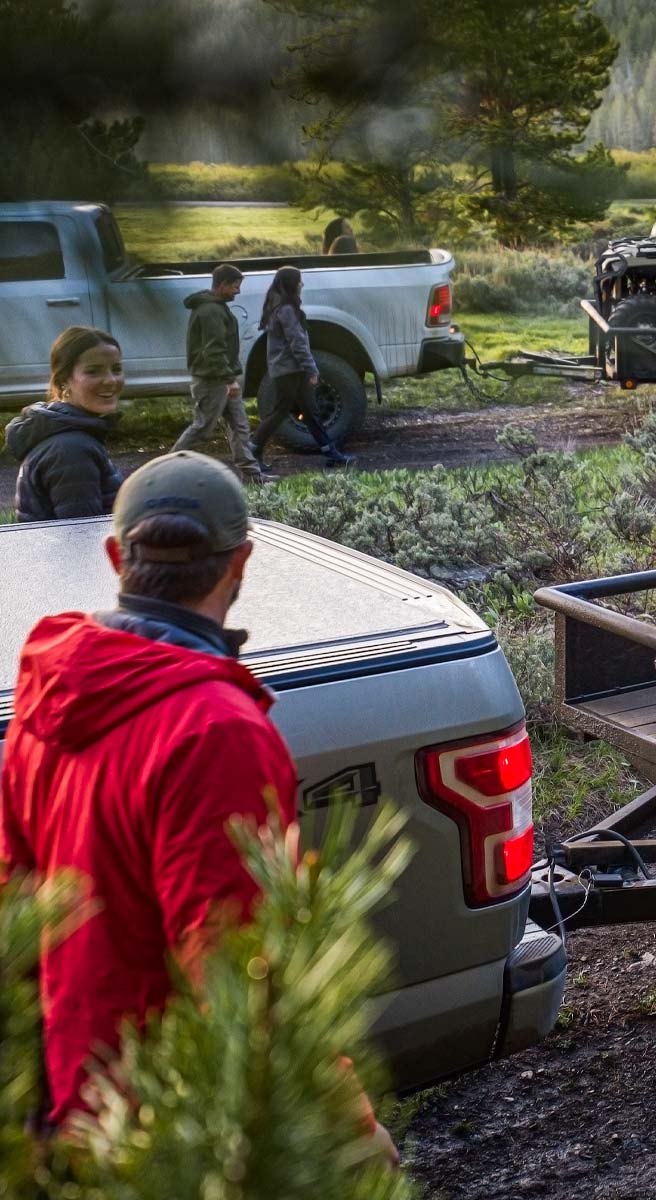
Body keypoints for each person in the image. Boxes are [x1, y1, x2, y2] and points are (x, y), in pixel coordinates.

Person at [0, 452, 395, 1159]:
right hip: (176, 1126)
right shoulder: (216, 731)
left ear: (116, 556)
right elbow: (237, 971)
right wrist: (351, 1127)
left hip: (71, 1106)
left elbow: (14, 911)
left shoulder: (45, 696)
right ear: (240, 562)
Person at [5, 327, 125, 521]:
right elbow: (83, 533)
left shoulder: (71, 435)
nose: (111, 380)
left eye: (116, 369)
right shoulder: (71, 449)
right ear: (63, 382)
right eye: (93, 371)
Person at [247, 266, 353, 470]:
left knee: (310, 411)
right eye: (299, 281)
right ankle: (253, 450)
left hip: (288, 369)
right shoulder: (287, 309)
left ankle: (331, 452)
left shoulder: (277, 305)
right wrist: (312, 369)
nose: (301, 285)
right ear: (291, 284)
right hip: (290, 370)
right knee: (280, 412)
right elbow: (298, 343)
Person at [173, 263, 268, 483]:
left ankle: (252, 477)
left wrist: (229, 378)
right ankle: (165, 469)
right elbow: (214, 350)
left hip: (222, 377)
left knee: (239, 426)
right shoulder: (211, 311)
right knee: (202, 427)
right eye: (235, 286)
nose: (238, 291)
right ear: (223, 284)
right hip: (212, 380)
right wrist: (229, 380)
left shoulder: (216, 307)